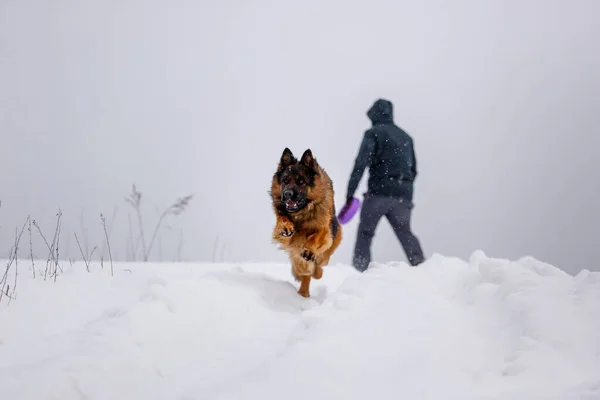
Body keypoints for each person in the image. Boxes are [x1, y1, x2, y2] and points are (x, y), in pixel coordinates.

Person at [345, 98, 425, 271]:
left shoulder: (373, 133)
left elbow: (360, 164)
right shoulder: (406, 138)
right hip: (403, 196)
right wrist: (402, 188)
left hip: (378, 193)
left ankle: (359, 271)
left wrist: (350, 194)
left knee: (365, 233)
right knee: (405, 233)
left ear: (374, 115)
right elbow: (414, 170)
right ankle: (422, 268)